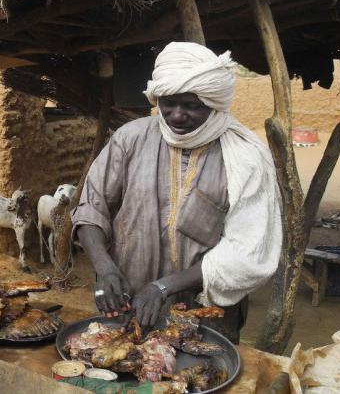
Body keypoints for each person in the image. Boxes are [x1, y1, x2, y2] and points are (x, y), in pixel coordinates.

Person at [72, 42, 282, 343]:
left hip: (204, 315)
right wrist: (104, 268)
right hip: (128, 302)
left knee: (198, 382)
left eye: (192, 105)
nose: (176, 115)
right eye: (168, 102)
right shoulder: (130, 139)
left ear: (214, 103)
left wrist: (163, 287)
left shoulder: (245, 157)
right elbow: (92, 208)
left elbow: (248, 251)